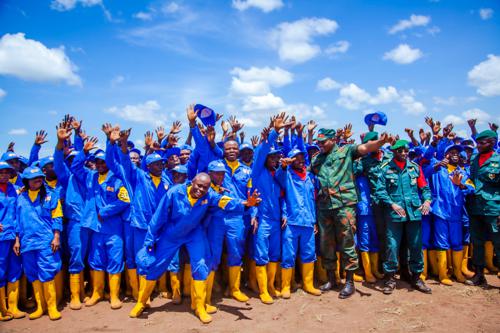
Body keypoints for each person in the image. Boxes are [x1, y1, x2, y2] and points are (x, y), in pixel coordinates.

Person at [130, 173, 260, 323]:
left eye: (205, 187)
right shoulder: (175, 192)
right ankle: (141, 302)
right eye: (198, 185)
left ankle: (199, 307)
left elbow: (225, 201)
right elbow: (158, 217)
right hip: (172, 233)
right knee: (154, 266)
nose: (200, 189)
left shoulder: (209, 195)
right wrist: (150, 240)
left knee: (201, 266)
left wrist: (246, 204)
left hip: (194, 233)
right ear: (192, 182)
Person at [311, 128, 389, 299]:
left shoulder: (346, 151)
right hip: (324, 206)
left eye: (323, 142)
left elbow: (364, 148)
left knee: (347, 241)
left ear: (333, 140)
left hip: (344, 204)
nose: (320, 145)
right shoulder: (317, 158)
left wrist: (380, 143)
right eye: (318, 142)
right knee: (326, 243)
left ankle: (350, 282)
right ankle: (332, 279)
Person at [71, 139, 130, 310]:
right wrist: (83, 152)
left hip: (113, 229)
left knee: (115, 259)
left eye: (103, 161)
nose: (100, 164)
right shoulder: (90, 176)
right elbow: (75, 169)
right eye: (97, 162)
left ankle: (114, 295)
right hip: (95, 228)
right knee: (96, 260)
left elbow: (124, 201)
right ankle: (97, 293)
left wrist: (105, 211)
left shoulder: (117, 180)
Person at [375, 140, 432, 295]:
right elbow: (380, 191)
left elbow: (425, 188)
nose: (404, 153)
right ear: (393, 152)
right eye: (400, 151)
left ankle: (416, 278)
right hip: (394, 214)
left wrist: (427, 200)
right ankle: (390, 278)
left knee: (415, 245)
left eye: (406, 150)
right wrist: (392, 204)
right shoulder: (385, 168)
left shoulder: (414, 167)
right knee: (392, 246)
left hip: (413, 213)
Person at [15, 166, 63, 320]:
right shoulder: (20, 197)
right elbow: (17, 221)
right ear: (27, 181)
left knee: (47, 272)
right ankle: (40, 307)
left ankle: (52, 307)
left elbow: (57, 216)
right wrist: (17, 240)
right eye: (35, 179)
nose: (38, 181)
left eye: (40, 178)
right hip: (27, 242)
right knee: (33, 274)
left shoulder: (51, 195)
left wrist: (56, 236)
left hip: (45, 241)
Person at [427, 144, 474, 285]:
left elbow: (472, 188)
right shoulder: (438, 168)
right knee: (442, 243)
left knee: (457, 243)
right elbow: (425, 171)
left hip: (456, 213)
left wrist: (460, 184)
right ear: (445, 154)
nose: (455, 154)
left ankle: (458, 273)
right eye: (451, 152)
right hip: (440, 211)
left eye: (457, 153)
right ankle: (443, 274)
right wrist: (437, 164)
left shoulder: (463, 172)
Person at [276, 148, 321, 298]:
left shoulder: (310, 177)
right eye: (296, 158)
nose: (300, 160)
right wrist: (284, 166)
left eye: (302, 157)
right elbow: (279, 175)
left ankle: (309, 285)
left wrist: (314, 221)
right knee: (289, 255)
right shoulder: (287, 175)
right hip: (292, 222)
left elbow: (312, 200)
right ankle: (286, 286)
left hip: (308, 222)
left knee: (309, 253)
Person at [466, 130, 500, 286]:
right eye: (477, 143)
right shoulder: (474, 159)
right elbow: (471, 180)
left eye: (482, 143)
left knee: (498, 241)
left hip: (494, 208)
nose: (478, 146)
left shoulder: (498, 160)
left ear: (492, 142)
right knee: (477, 242)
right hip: (475, 207)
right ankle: (479, 275)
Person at [0, 161, 24, 321]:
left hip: (13, 236)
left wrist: (17, 239)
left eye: (7, 172)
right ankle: (2, 309)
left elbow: (17, 214)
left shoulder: (14, 190)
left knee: (15, 270)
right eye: (1, 172)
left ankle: (13, 307)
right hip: (1, 238)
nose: (4, 175)